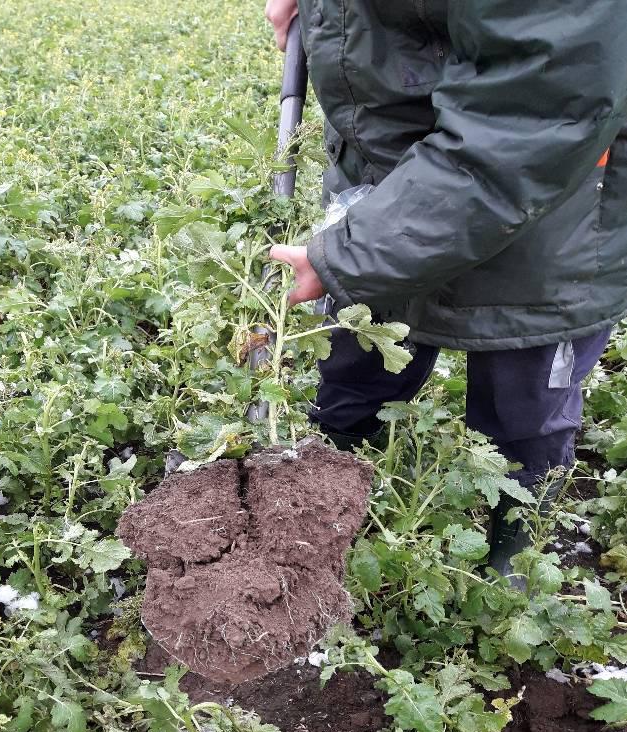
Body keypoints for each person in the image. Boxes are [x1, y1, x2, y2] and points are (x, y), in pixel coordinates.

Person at [264, 0, 627, 574]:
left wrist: (352, 254)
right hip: (383, 175)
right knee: (357, 366)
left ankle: (508, 565)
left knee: (524, 408)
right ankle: (316, 504)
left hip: (554, 212)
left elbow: (535, 118)